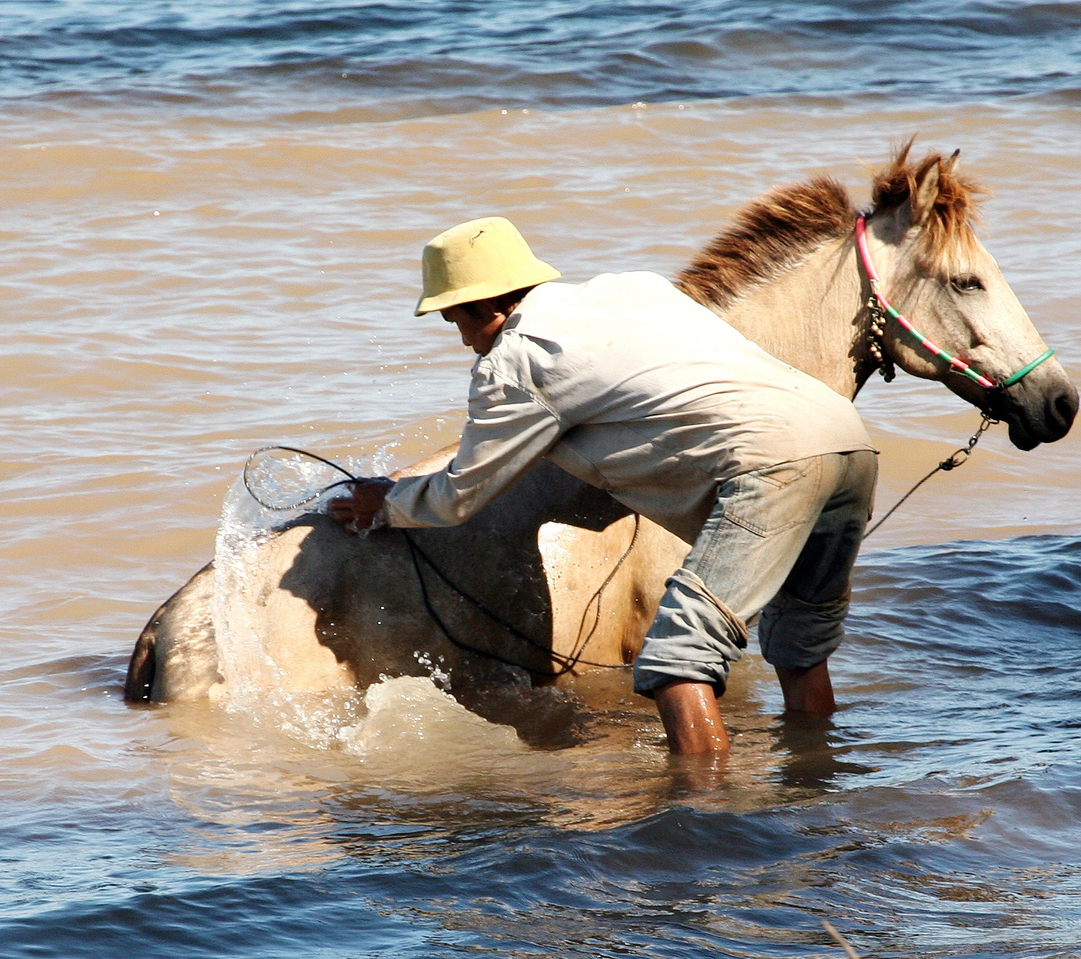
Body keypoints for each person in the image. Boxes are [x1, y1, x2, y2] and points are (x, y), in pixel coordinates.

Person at [329, 216, 876, 756]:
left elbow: (460, 494)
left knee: (677, 659)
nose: (464, 339)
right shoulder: (633, 288)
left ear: (490, 309)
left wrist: (387, 504)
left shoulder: (516, 358)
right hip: (847, 439)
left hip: (771, 463)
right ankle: (816, 773)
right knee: (799, 635)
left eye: (455, 321)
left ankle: (707, 816)